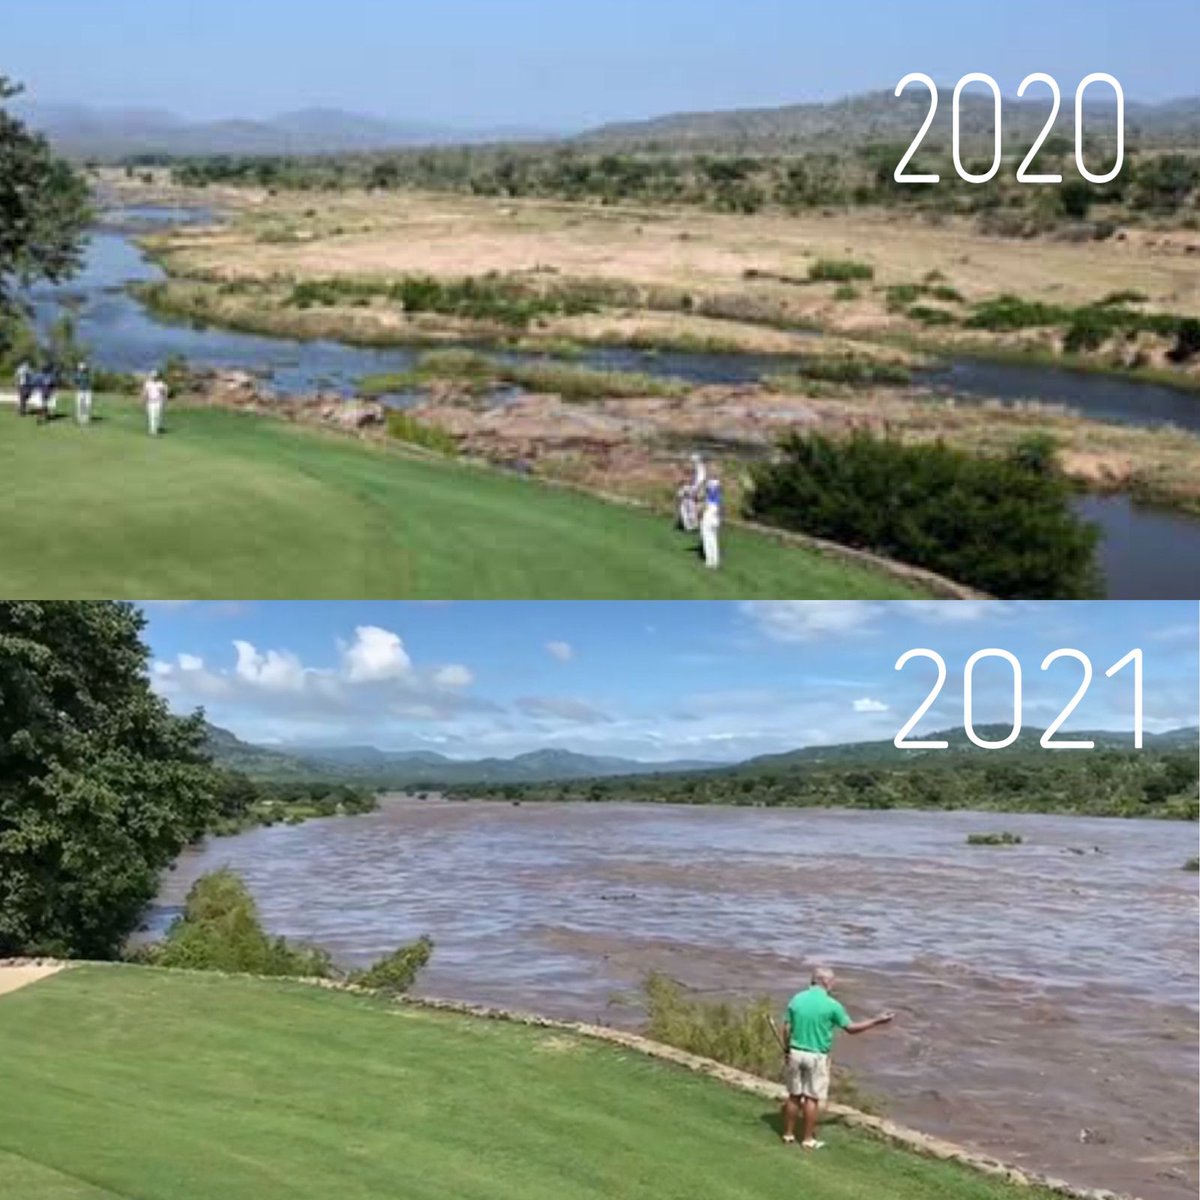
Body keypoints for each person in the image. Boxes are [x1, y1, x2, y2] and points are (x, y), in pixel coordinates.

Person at [780, 967, 894, 1150]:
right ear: (825, 982)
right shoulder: (832, 1005)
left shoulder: (797, 999)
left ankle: (788, 1134)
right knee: (811, 1098)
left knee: (794, 1096)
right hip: (816, 1056)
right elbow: (851, 1028)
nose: (833, 985)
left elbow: (786, 1027)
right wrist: (876, 1020)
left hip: (795, 1052)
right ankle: (808, 1139)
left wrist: (786, 1049)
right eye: (833, 982)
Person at [700, 475, 723, 569]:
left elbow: (704, 507)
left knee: (707, 539)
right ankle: (715, 561)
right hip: (715, 518)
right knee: (713, 540)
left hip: (709, 517)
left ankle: (710, 561)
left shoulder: (710, 497)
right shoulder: (717, 496)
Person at [143, 370, 168, 436]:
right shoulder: (148, 383)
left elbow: (164, 393)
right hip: (150, 401)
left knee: (157, 416)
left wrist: (165, 400)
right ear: (151, 376)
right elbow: (145, 393)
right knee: (152, 416)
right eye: (153, 376)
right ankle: (152, 431)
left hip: (158, 401)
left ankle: (156, 429)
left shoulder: (160, 383)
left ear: (157, 376)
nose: (154, 377)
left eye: (155, 376)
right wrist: (144, 401)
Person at [74, 361, 93, 426]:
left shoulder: (87, 374)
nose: (82, 369)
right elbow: (76, 382)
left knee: (87, 404)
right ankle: (79, 418)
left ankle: (86, 418)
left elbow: (89, 382)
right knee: (80, 404)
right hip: (80, 391)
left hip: (87, 391)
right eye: (81, 368)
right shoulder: (77, 375)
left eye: (83, 368)